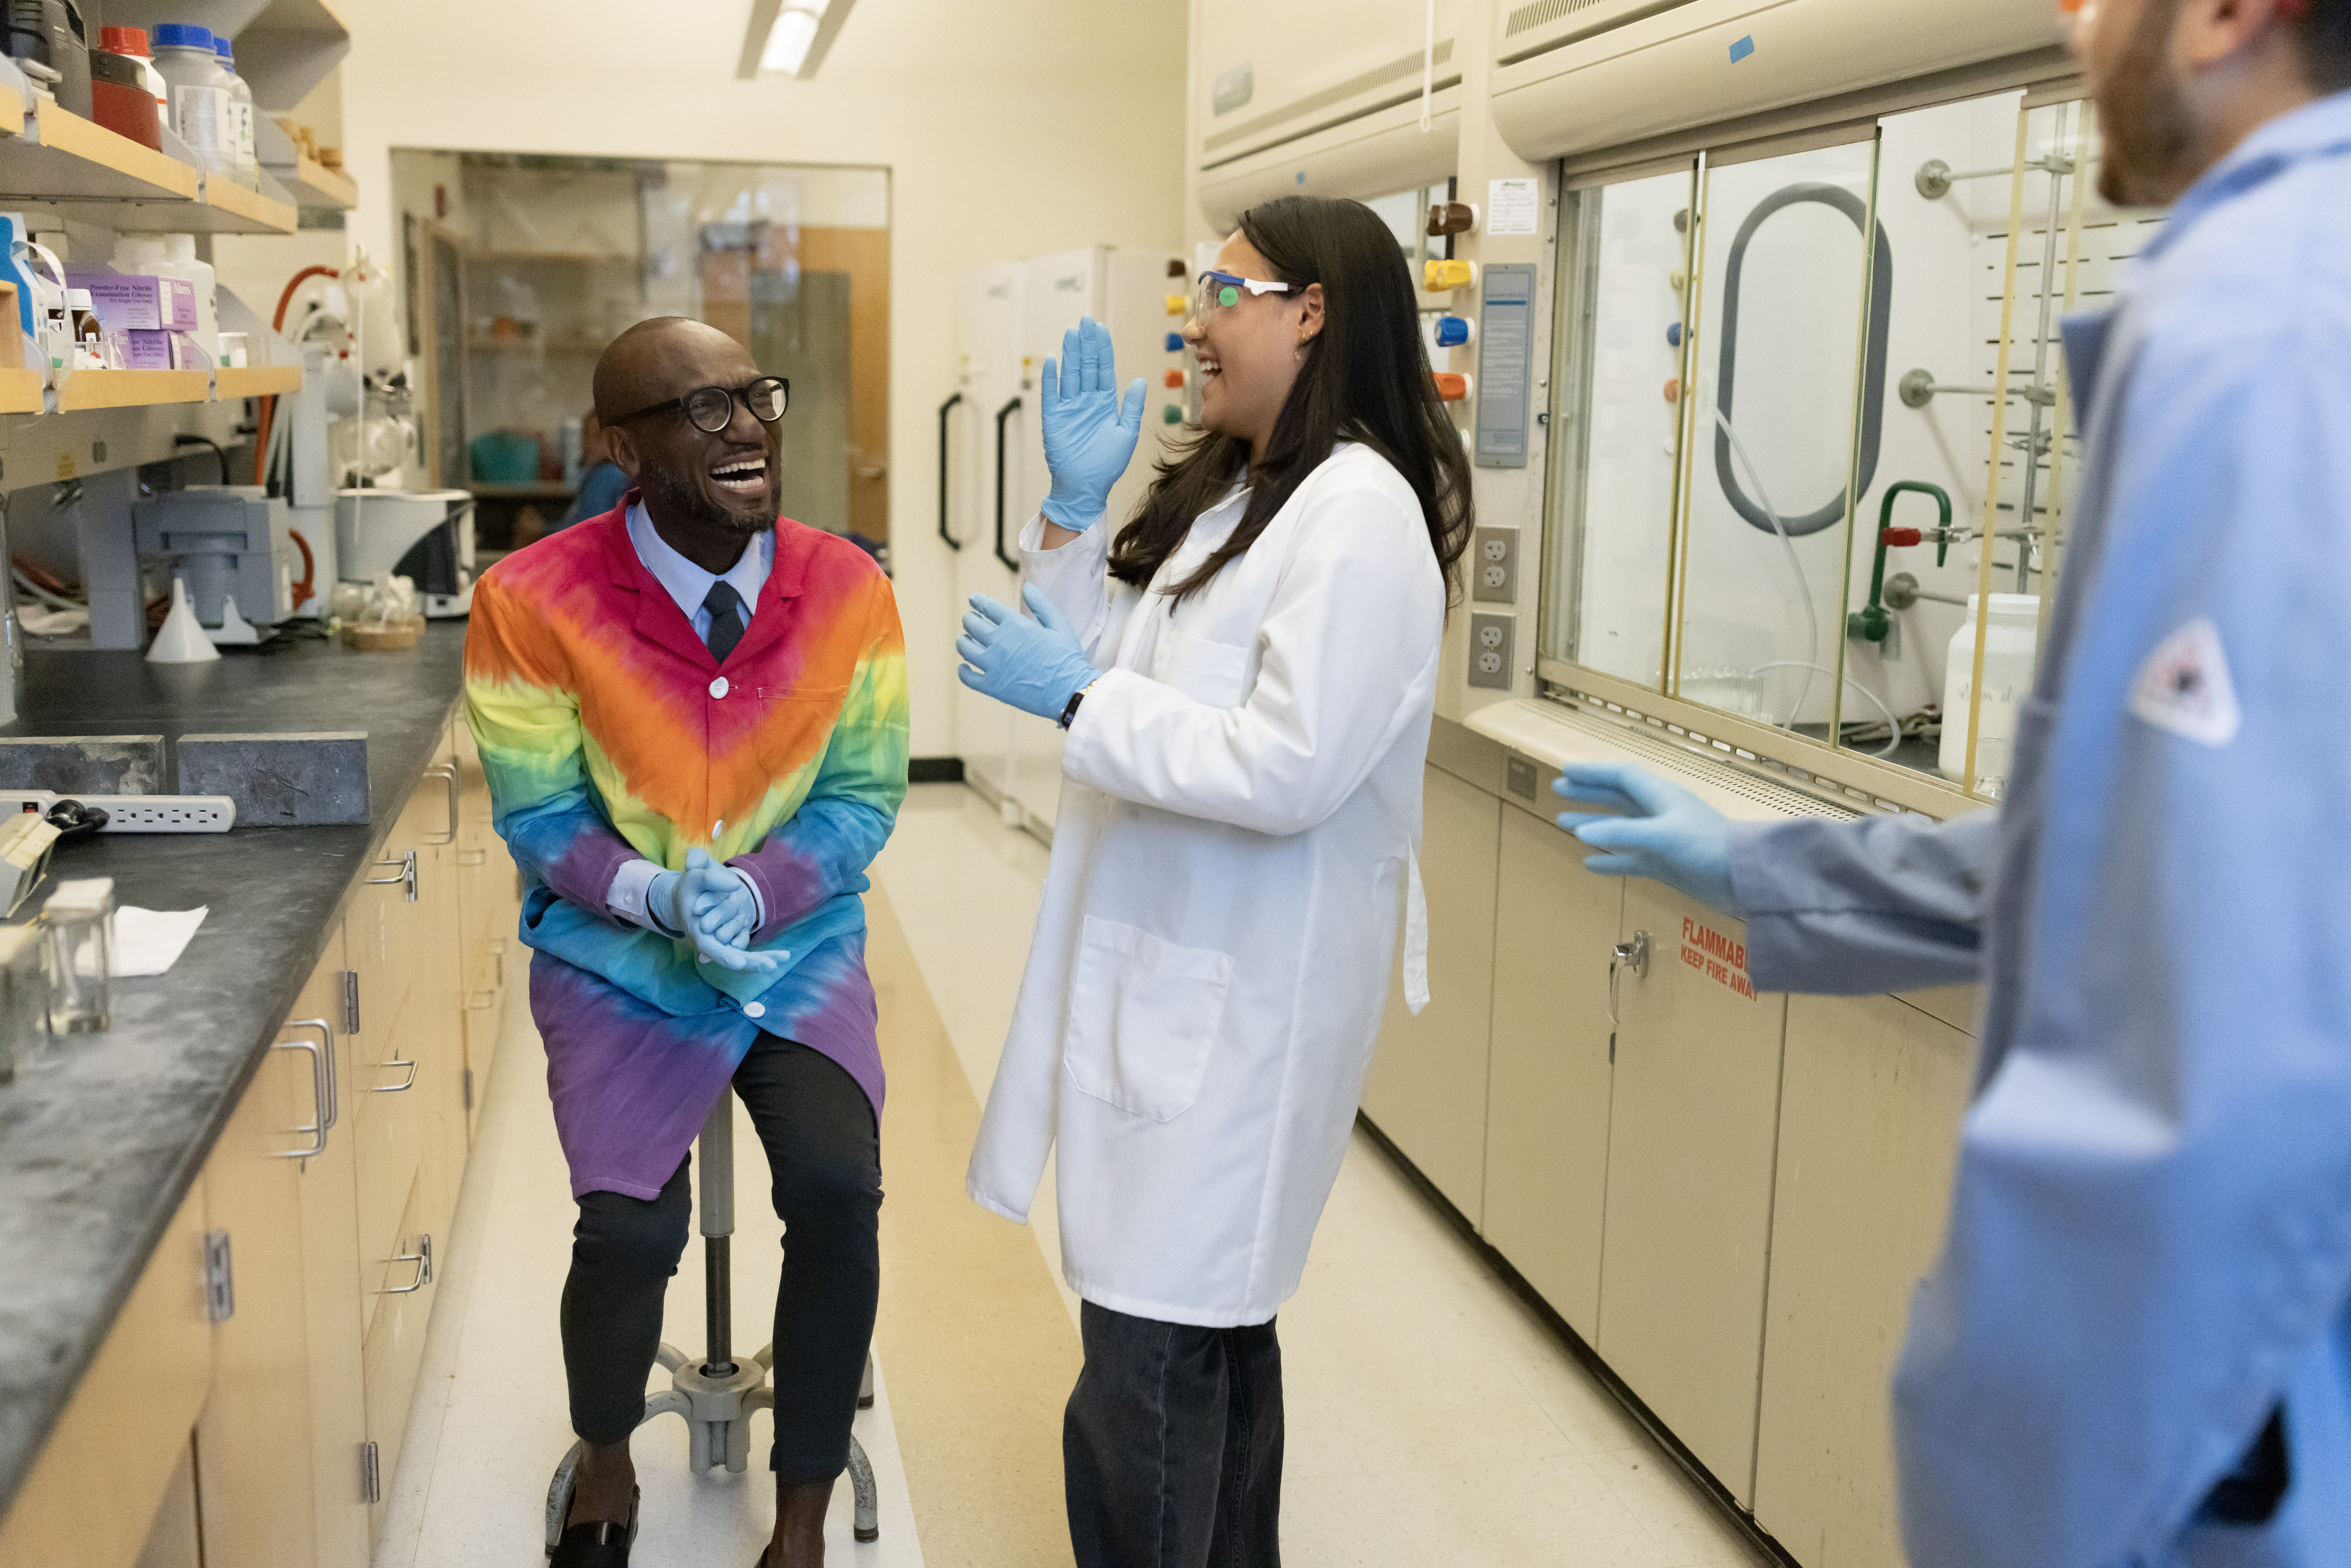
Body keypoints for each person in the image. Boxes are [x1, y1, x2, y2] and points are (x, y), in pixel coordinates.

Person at [1551, 2, 2351, 1564]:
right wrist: (1774, 870)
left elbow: (2220, 1004)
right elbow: (2117, 854)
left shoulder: (2262, 328)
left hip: (2209, 1440)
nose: (2071, 21)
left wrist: (2065, 1485)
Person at [955, 195, 1473, 1565]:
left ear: (1313, 309)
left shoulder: (1358, 515)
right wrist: (1071, 515)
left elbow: (1285, 766)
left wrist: (1078, 700)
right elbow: (1093, 660)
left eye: (1222, 291)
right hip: (1165, 977)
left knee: (1153, 1381)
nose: (1196, 320)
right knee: (1200, 1356)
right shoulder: (1247, 494)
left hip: (1234, 1010)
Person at [465, 317, 908, 1568]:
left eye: (752, 397)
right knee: (629, 1233)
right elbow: (540, 811)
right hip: (621, 962)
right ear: (620, 444)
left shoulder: (847, 587)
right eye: (700, 410)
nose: (747, 428)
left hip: (793, 950)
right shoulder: (531, 600)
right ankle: (606, 1455)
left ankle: (805, 1512)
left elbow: (865, 793)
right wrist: (651, 895)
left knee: (837, 1190)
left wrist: (763, 889)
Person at [554, 408, 631, 531]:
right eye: (586, 434)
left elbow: (586, 531)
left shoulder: (607, 475)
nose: (588, 443)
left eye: (596, 436)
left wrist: (540, 530)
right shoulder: (596, 472)